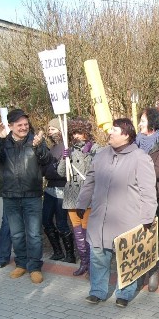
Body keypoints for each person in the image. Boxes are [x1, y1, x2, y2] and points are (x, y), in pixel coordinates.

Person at [77, 118, 157, 308]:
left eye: (114, 130)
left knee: (126, 257)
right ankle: (97, 291)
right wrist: (82, 203)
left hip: (127, 220)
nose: (110, 133)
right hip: (100, 218)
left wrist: (147, 217)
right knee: (98, 255)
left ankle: (125, 293)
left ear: (126, 135)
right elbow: (89, 182)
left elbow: (148, 191)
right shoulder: (101, 155)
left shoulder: (141, 158)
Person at [0, 109, 51, 284]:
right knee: (17, 234)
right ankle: (21, 264)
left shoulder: (35, 141)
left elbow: (47, 161)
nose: (23, 128)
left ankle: (35, 267)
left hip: (32, 195)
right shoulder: (3, 142)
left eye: (26, 125)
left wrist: (39, 147)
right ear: (11, 126)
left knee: (35, 234)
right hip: (10, 195)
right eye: (19, 125)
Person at [136, 108, 159, 292]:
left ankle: (152, 272)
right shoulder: (135, 141)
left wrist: (137, 168)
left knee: (153, 235)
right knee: (137, 234)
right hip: (135, 194)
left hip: (156, 195)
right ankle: (137, 270)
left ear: (152, 122)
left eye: (143, 120)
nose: (140, 124)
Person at [58, 117, 99, 276]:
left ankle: (92, 265)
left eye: (79, 132)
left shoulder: (96, 149)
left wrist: (87, 155)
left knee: (87, 230)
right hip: (72, 196)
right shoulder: (70, 149)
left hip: (88, 196)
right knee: (77, 232)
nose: (76, 136)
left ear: (86, 133)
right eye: (74, 132)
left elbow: (96, 172)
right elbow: (61, 173)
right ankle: (84, 262)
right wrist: (64, 158)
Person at [42, 118, 74, 263]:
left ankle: (70, 255)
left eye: (53, 129)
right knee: (46, 220)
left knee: (61, 223)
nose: (50, 132)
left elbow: (63, 171)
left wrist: (51, 171)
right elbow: (45, 169)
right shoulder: (51, 148)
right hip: (50, 188)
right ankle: (58, 251)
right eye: (49, 129)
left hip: (63, 188)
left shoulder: (67, 148)